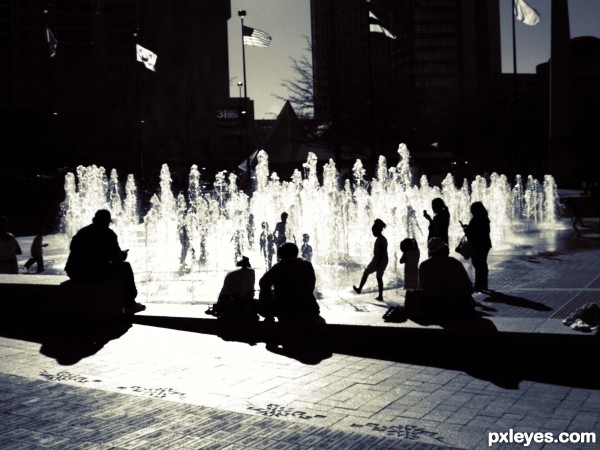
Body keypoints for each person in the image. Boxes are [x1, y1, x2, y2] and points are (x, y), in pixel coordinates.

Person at [64, 209, 145, 314]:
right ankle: (129, 303)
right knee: (126, 267)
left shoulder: (82, 232)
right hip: (92, 273)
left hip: (74, 272)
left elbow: (74, 249)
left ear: (94, 220)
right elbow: (117, 259)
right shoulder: (109, 234)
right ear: (107, 221)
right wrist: (123, 255)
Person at [407, 237, 475, 323]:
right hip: (459, 306)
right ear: (445, 249)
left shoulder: (424, 265)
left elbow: (422, 288)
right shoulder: (455, 263)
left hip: (435, 307)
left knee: (412, 293)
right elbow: (469, 288)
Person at [258, 242, 320, 321]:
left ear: (281, 254)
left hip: (285, 309)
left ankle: (268, 312)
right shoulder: (307, 265)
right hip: (308, 308)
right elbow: (310, 286)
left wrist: (272, 298)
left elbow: (263, 282)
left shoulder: (279, 267)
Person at [353, 218, 388, 301]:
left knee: (367, 273)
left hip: (379, 260)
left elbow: (383, 251)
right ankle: (380, 295)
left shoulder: (382, 240)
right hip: (380, 260)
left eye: (373, 231)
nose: (373, 233)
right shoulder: (380, 239)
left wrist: (378, 262)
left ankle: (360, 289)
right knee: (378, 277)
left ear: (378, 230)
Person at [461, 201, 492, 292]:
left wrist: (466, 229)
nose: (471, 211)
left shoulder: (475, 220)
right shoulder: (485, 218)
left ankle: (478, 284)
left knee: (478, 264)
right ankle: (483, 283)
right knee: (482, 264)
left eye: (472, 210)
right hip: (485, 244)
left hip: (477, 245)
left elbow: (473, 234)